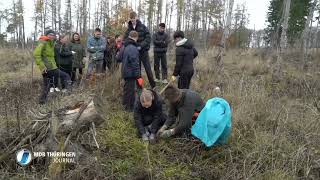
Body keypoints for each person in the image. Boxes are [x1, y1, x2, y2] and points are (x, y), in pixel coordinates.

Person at [33, 30, 71, 104]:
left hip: (51, 67)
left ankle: (42, 102)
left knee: (47, 85)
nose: (52, 36)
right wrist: (42, 67)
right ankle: (67, 95)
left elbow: (51, 56)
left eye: (53, 35)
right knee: (66, 76)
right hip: (48, 68)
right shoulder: (43, 42)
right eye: (50, 34)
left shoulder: (51, 44)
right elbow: (36, 55)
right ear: (46, 35)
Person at [124, 11, 156, 89]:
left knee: (148, 70)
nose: (132, 21)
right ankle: (140, 86)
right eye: (131, 20)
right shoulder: (129, 29)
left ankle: (153, 86)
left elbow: (148, 38)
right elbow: (125, 40)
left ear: (136, 17)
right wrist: (132, 46)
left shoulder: (143, 27)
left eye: (134, 19)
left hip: (143, 52)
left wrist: (141, 46)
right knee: (138, 72)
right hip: (135, 53)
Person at [117, 31, 141, 111]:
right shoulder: (132, 47)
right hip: (131, 73)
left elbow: (119, 58)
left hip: (125, 72)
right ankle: (128, 109)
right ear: (136, 37)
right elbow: (135, 63)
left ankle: (125, 105)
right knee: (130, 92)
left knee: (127, 90)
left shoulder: (124, 45)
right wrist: (138, 76)